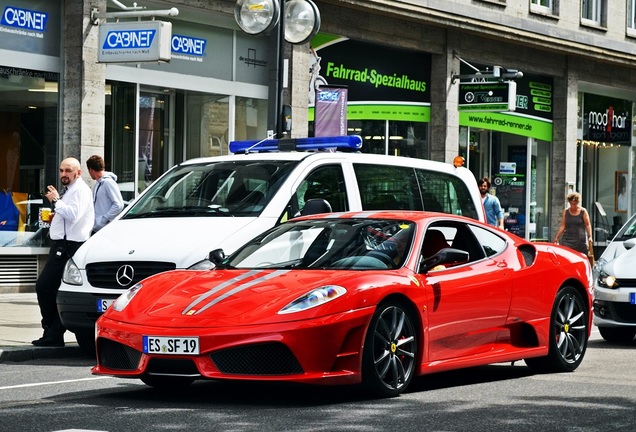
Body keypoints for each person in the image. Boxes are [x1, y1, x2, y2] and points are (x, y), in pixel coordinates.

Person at [32, 158, 94, 347]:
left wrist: (57, 201)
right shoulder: (71, 190)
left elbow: (74, 215)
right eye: (61, 170)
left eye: (68, 170)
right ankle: (53, 332)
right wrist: (56, 215)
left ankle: (53, 330)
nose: (64, 174)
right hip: (62, 244)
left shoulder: (80, 190)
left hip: (68, 246)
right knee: (54, 288)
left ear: (78, 172)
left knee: (44, 286)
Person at [86, 155, 124, 233]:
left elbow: (119, 205)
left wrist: (104, 219)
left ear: (91, 170)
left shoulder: (108, 182)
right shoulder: (98, 183)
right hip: (97, 228)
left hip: (105, 229)